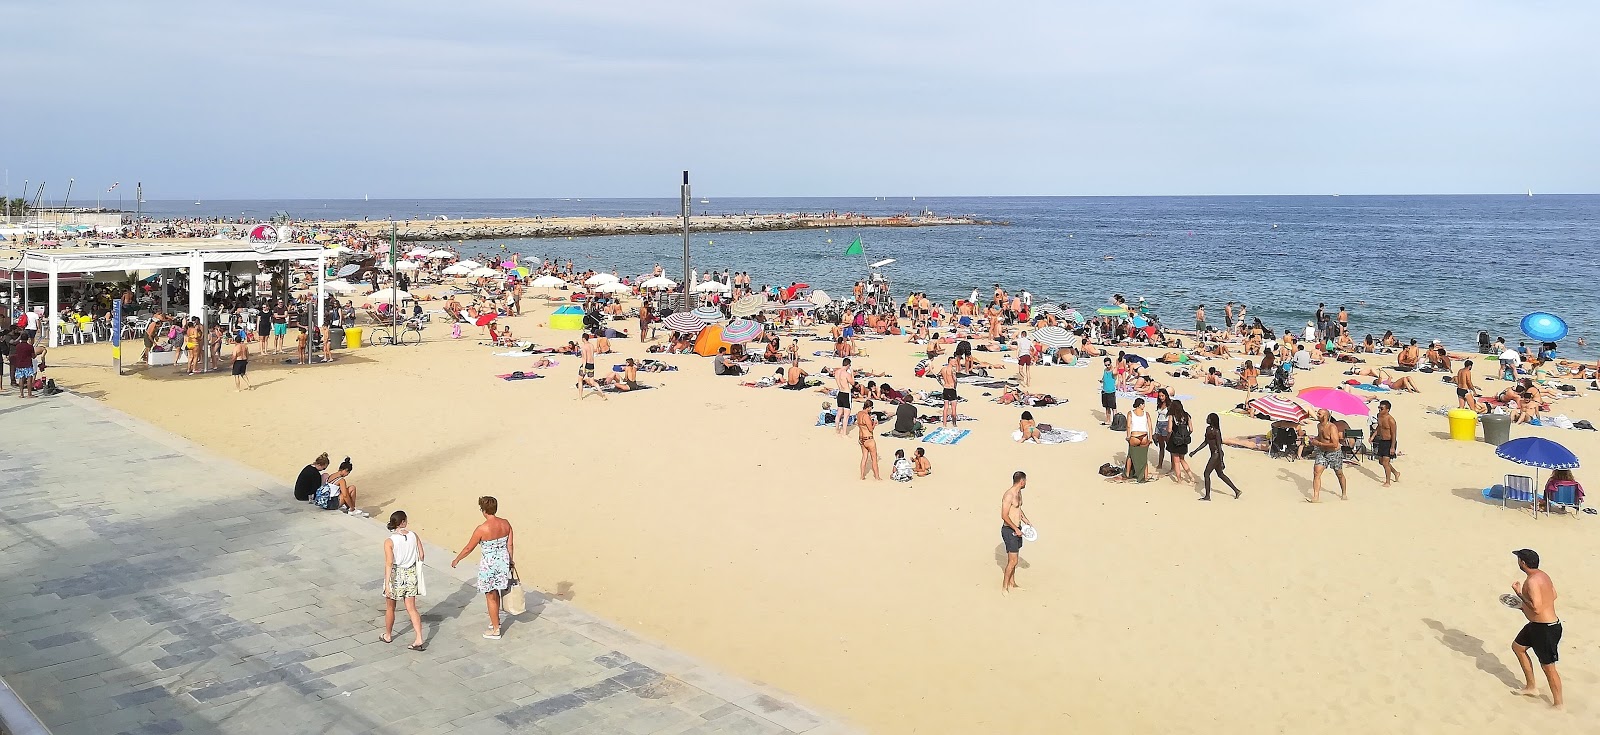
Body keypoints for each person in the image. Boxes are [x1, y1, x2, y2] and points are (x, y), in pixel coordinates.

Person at [450, 496, 515, 641]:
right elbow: (510, 545)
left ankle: (496, 629)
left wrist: (457, 559)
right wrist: (511, 560)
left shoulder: (482, 529)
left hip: (489, 565)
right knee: (497, 593)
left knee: (490, 596)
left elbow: (469, 548)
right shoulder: (506, 524)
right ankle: (495, 621)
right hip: (503, 562)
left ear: (484, 510)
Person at [1509, 549, 1563, 708]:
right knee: (1518, 647)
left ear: (1523, 563)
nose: (1518, 562)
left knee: (1548, 667)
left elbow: (1537, 608)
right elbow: (1553, 595)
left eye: (1519, 559)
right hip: (1538, 626)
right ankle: (1531, 687)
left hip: (1545, 629)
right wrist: (1524, 608)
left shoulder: (1531, 581)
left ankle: (1559, 704)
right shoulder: (1543, 576)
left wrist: (1519, 594)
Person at [381, 511, 427, 651]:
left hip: (396, 573)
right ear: (403, 522)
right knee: (412, 608)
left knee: (390, 607)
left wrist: (387, 583)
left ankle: (388, 634)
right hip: (411, 573)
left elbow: (389, 563)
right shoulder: (413, 535)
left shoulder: (390, 541)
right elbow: (422, 554)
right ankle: (419, 637)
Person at [1189, 413, 1242, 500]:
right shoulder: (1208, 429)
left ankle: (1207, 496)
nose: (1207, 419)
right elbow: (1205, 442)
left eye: (1208, 418)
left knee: (1206, 474)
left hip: (1216, 455)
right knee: (1220, 474)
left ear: (1212, 420)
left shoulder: (1216, 431)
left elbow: (1219, 446)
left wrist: (1221, 461)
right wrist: (1195, 451)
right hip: (1214, 454)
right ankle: (1236, 490)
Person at [999, 471, 1029, 595]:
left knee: (1014, 558)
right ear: (1022, 481)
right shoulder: (1009, 495)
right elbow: (1004, 515)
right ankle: (1004, 587)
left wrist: (1026, 520)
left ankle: (1013, 583)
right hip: (1009, 530)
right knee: (1013, 561)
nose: (1026, 483)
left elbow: (1018, 510)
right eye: (1025, 481)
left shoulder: (1019, 493)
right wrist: (1015, 529)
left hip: (1018, 529)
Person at [1309, 409, 1347, 502]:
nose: (1317, 415)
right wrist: (1314, 439)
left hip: (1334, 453)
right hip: (1322, 452)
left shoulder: (1332, 427)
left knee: (1339, 473)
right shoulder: (1319, 425)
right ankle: (1316, 496)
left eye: (1319, 414)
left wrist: (1320, 444)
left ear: (1325, 416)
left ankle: (1344, 493)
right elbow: (1321, 437)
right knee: (1316, 473)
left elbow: (1335, 444)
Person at [1166, 399, 1196, 484]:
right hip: (1184, 440)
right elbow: (1191, 429)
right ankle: (1191, 477)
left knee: (1176, 460)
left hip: (1175, 439)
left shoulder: (1172, 416)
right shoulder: (1187, 415)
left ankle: (1179, 479)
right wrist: (1186, 435)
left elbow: (1169, 429)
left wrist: (1169, 436)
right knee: (1182, 459)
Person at [1124, 398, 1152, 481]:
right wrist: (1150, 438)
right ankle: (1146, 476)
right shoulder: (1146, 414)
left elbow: (1128, 426)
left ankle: (1128, 473)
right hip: (1144, 436)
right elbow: (1150, 427)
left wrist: (1128, 437)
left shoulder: (1130, 413)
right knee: (1144, 456)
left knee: (1130, 455)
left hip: (1134, 436)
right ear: (1140, 405)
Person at [1373, 400, 1400, 486]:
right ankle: (1395, 472)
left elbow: (1394, 434)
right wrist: (1373, 436)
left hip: (1389, 442)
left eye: (1382, 408)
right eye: (1379, 408)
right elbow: (1379, 427)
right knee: (1381, 462)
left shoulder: (1391, 420)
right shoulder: (1379, 416)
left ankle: (1388, 482)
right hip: (1382, 441)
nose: (1379, 410)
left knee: (1385, 463)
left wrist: (1392, 447)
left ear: (1387, 410)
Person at [577, 333, 607, 400]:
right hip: (592, 365)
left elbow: (584, 358)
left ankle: (580, 396)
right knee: (592, 382)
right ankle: (602, 393)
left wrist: (584, 368)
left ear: (583, 339)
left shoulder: (584, 347)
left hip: (586, 364)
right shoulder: (591, 345)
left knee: (580, 380)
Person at [857, 399, 881, 480]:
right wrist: (874, 423)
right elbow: (870, 429)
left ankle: (862, 476)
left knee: (864, 458)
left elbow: (862, 425)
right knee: (874, 459)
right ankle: (877, 477)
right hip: (869, 439)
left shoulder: (859, 414)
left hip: (862, 439)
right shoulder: (866, 416)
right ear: (869, 407)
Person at [11, 332, 37, 399]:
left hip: (19, 364)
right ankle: (29, 394)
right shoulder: (30, 346)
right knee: (29, 379)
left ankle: (21, 394)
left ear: (21, 338)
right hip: (28, 364)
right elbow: (33, 356)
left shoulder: (17, 346)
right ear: (27, 338)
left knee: (21, 379)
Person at [834, 357, 855, 436]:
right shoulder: (846, 374)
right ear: (848, 365)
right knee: (846, 415)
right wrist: (852, 373)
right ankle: (844, 433)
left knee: (839, 413)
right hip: (846, 393)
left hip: (840, 393)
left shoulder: (837, 372)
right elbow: (853, 383)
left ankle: (836, 429)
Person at [939, 357, 959, 428]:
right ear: (950, 361)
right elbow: (955, 379)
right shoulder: (952, 370)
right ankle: (954, 423)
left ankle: (944, 424)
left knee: (946, 407)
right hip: (951, 389)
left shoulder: (943, 369)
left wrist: (942, 384)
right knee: (953, 407)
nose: (955, 363)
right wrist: (955, 387)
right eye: (954, 362)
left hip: (945, 388)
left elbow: (938, 376)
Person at [1099, 357, 1117, 425]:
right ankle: (1108, 420)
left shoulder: (1113, 370)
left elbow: (1115, 372)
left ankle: (1115, 422)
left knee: (1113, 408)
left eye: (1108, 365)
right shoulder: (1105, 370)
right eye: (1106, 365)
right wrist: (1102, 380)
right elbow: (1103, 378)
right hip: (1104, 391)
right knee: (1107, 407)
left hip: (1111, 391)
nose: (1107, 366)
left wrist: (1116, 366)